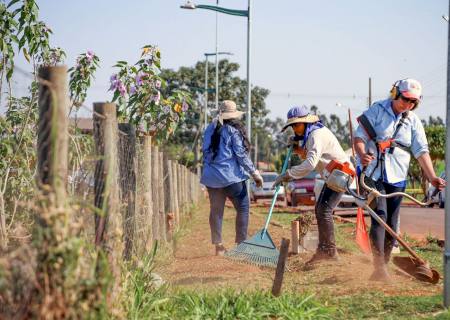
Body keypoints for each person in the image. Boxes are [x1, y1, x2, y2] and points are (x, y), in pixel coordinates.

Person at [354, 78, 446, 282]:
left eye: (413, 102)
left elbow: (421, 151)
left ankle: (383, 266)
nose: (408, 105)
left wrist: (432, 177)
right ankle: (379, 268)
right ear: (395, 94)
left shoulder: (413, 121)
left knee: (392, 224)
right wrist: (362, 154)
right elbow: (359, 136)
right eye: (405, 99)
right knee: (380, 217)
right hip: (374, 174)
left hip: (397, 177)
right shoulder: (377, 110)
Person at [273, 105, 354, 264]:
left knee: (324, 210)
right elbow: (308, 155)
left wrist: (288, 174)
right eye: (292, 126)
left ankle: (329, 252)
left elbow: (310, 163)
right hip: (333, 175)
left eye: (297, 125)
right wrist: (297, 147)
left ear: (305, 122)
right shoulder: (311, 134)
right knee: (321, 209)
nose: (295, 129)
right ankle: (324, 251)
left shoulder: (316, 135)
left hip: (341, 174)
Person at [201, 100, 263, 256]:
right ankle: (241, 244)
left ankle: (219, 246)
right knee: (243, 208)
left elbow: (205, 153)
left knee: (216, 211)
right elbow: (241, 156)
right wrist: (254, 173)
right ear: (233, 116)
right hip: (232, 178)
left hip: (212, 179)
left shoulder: (209, 129)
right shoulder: (233, 131)